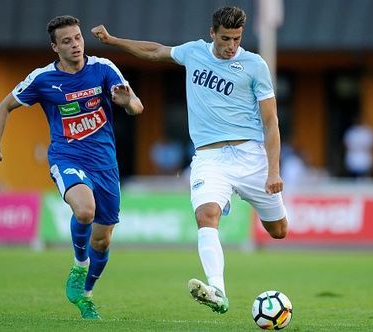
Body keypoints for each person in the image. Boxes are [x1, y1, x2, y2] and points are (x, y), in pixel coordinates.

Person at [92, 6, 288, 314]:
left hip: (251, 157)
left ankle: (242, 199)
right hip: (210, 158)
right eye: (225, 38)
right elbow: (155, 51)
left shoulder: (255, 65)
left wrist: (273, 171)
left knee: (278, 230)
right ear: (212, 33)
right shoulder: (194, 52)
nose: (231, 46)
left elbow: (271, 122)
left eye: (236, 39)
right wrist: (114, 41)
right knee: (206, 216)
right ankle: (218, 291)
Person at [0, 15, 143, 320]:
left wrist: (127, 102)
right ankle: (79, 265)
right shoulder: (43, 79)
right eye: (67, 41)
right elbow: (4, 106)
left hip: (106, 164)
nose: (75, 45)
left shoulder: (103, 69)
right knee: (85, 210)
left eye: (78, 38)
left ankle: (86, 294)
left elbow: (136, 105)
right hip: (67, 157)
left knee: (103, 238)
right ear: (54, 47)